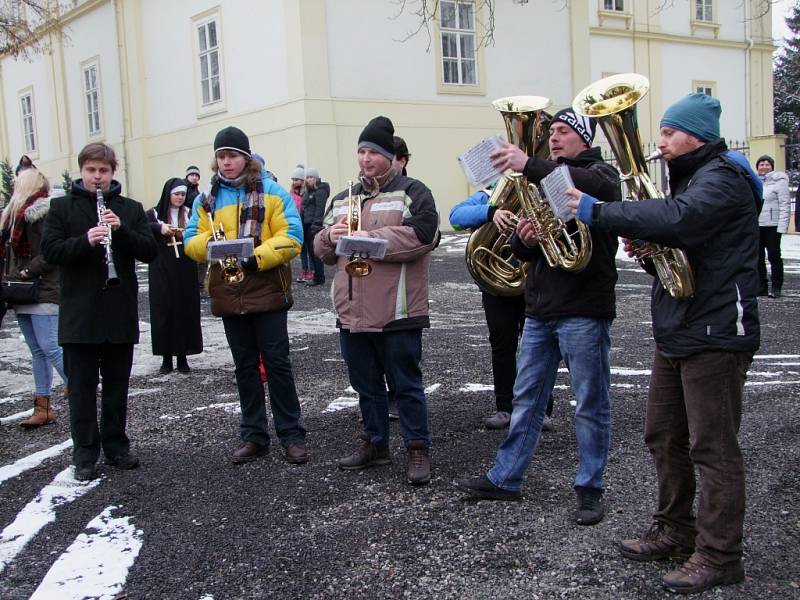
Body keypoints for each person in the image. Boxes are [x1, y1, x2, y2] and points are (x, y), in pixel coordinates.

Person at [566, 93, 761, 594]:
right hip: (680, 327)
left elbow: (680, 219)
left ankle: (720, 555)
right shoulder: (691, 179)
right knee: (664, 434)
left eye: (670, 133)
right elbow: (681, 244)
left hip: (717, 332)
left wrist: (602, 211)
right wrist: (652, 252)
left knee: (712, 448)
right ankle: (675, 529)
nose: (660, 142)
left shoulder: (724, 177)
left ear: (696, 135)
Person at [454, 108, 620, 527]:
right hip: (542, 307)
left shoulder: (599, 173)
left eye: (564, 132)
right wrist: (523, 239)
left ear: (583, 137)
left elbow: (599, 190)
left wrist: (528, 164)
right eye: (552, 133)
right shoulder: (544, 178)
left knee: (589, 402)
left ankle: (590, 488)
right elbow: (532, 251)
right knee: (525, 398)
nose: (555, 139)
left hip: (583, 307)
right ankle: (506, 477)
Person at [314, 115, 440, 486]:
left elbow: (424, 235)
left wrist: (366, 237)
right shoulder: (343, 198)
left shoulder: (413, 191)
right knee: (365, 385)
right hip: (352, 310)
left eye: (373, 152)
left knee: (406, 385)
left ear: (390, 156)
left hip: (398, 309)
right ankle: (375, 442)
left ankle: (417, 447)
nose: (366, 159)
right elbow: (321, 250)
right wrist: (330, 237)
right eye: (361, 151)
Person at [184, 126, 308, 466]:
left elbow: (292, 236)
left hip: (266, 288)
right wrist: (214, 248)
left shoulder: (273, 192)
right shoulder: (205, 200)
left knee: (278, 365)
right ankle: (254, 435)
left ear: (246, 158)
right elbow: (191, 240)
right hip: (229, 292)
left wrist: (254, 257)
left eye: (232, 156)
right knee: (244, 368)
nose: (226, 163)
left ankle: (291, 434)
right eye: (221, 157)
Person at [41, 142, 159, 481]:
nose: (97, 177)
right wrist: (85, 240)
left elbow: (150, 251)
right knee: (81, 387)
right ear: (82, 171)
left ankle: (116, 446)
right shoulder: (62, 208)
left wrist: (120, 232)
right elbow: (50, 251)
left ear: (112, 173)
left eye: (103, 171)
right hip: (79, 315)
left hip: (118, 311)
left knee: (117, 386)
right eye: (91, 170)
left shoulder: (131, 209)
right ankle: (85, 453)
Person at [449, 189, 555, 431]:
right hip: (498, 283)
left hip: (534, 281)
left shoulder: (540, 190)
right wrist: (491, 212)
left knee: (537, 347)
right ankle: (505, 407)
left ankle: (541, 408)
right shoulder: (490, 193)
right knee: (502, 344)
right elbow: (455, 218)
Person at [0, 168, 66, 427]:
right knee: (37, 351)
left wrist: (26, 272)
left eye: (18, 181)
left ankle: (83, 393)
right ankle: (43, 407)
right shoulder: (14, 216)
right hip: (21, 289)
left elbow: (50, 252)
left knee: (50, 347)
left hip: (42, 288)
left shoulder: (43, 213)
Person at [146, 178, 203, 374]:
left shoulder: (189, 214)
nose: (180, 198)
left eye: (182, 195)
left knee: (183, 308)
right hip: (161, 266)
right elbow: (142, 229)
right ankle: (166, 357)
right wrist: (158, 228)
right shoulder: (154, 214)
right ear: (168, 194)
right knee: (164, 309)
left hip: (184, 267)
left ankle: (183, 355)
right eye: (177, 194)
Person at [754, 154, 790, 298]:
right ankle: (761, 286)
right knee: (758, 257)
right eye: (761, 164)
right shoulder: (755, 181)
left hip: (772, 226)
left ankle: (776, 287)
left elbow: (785, 205)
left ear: (772, 167)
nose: (764, 167)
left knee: (774, 257)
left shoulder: (779, 182)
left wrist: (782, 226)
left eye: (767, 164)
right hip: (757, 225)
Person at [301, 167, 329, 287]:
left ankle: (319, 277)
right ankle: (316, 275)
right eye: (307, 177)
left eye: (311, 177)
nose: (309, 179)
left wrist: (316, 224)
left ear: (316, 178)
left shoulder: (320, 191)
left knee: (315, 252)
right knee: (310, 252)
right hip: (306, 224)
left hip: (314, 225)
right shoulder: (308, 191)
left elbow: (320, 209)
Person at [184, 165, 206, 292]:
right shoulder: (184, 189)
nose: (194, 177)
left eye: (197, 175)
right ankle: (196, 285)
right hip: (187, 223)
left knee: (201, 258)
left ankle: (200, 285)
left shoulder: (196, 191)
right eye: (192, 175)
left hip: (196, 222)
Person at [290, 165, 312, 283]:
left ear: (302, 181)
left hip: (306, 223)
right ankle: (304, 270)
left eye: (297, 179)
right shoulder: (292, 193)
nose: (294, 182)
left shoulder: (306, 193)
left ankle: (311, 270)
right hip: (297, 223)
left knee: (310, 248)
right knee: (302, 248)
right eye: (293, 179)